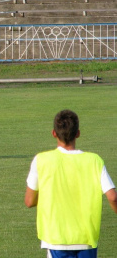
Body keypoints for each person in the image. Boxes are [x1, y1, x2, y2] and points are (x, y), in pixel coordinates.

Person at [25, 110, 117, 258]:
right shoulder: (94, 161)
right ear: (78, 133)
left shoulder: (41, 160)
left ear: (54, 133)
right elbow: (113, 197)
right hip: (86, 238)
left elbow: (29, 201)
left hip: (56, 238)